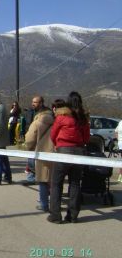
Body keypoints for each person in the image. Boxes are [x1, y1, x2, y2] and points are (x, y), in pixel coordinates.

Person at [48, 91, 90, 224]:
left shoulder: (61, 117)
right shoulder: (83, 119)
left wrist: (58, 145)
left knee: (56, 184)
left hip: (63, 151)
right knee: (75, 183)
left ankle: (55, 215)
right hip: (79, 152)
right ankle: (72, 216)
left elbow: (53, 135)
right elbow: (87, 138)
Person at [24, 96, 55, 212]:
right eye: (32, 102)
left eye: (35, 102)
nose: (33, 104)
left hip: (41, 150)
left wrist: (28, 147)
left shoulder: (38, 121)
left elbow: (29, 139)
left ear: (41, 103)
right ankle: (54, 202)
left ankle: (44, 204)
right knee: (52, 179)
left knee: (43, 178)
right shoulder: (54, 118)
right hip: (54, 151)